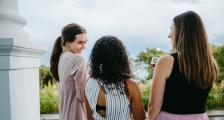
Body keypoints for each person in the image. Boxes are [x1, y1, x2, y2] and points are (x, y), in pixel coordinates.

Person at [148, 11, 219, 120]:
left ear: (182, 32)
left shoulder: (166, 61)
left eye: (172, 29)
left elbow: (153, 107)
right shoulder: (211, 64)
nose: (169, 35)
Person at [84, 36, 145, 120]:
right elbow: (140, 118)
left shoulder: (88, 82)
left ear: (96, 58)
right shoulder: (130, 85)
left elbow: (88, 117)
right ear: (121, 58)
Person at [50, 23, 88, 120]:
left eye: (85, 42)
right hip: (77, 114)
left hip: (64, 114)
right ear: (67, 43)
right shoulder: (78, 60)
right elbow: (82, 96)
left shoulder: (61, 58)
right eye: (80, 43)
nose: (84, 46)